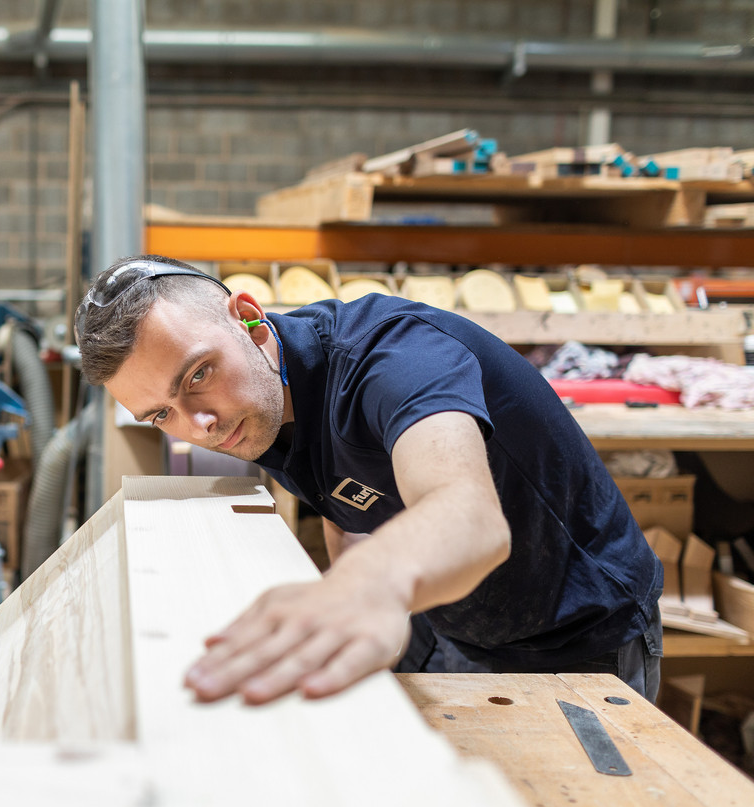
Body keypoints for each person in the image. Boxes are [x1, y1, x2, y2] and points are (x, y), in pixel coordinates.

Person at [75, 254, 663, 704]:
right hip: (447, 621)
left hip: (577, 635)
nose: (197, 425)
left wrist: (368, 585)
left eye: (198, 374)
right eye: (161, 414)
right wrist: (348, 604)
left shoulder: (396, 359)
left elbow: (471, 517)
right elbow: (345, 505)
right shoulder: (255, 401)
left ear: (250, 322)